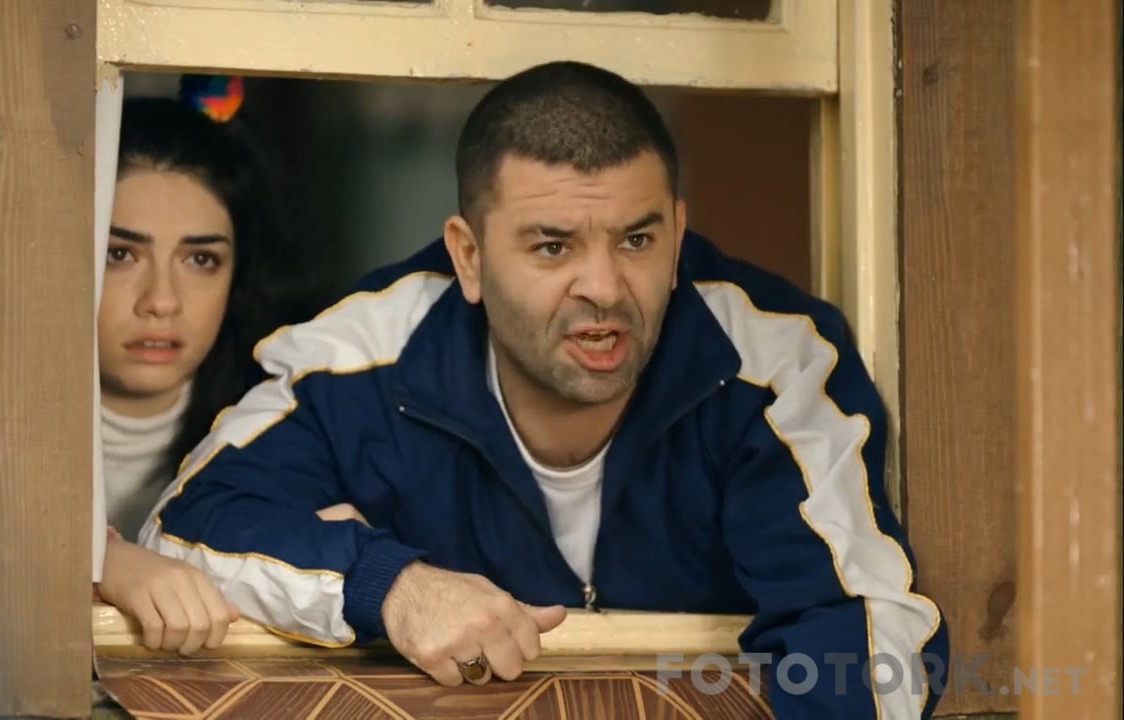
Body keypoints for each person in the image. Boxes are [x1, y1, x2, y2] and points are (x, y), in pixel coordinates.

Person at [140, 61, 950, 716]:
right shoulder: (361, 357)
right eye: (553, 247)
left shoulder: (770, 361)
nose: (603, 287)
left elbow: (865, 630)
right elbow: (182, 530)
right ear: (467, 257)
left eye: (637, 240)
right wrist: (392, 587)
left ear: (677, 236)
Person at [93, 82, 323, 656]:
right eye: (120, 254)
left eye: (201, 259)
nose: (161, 301)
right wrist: (96, 560)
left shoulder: (284, 421)